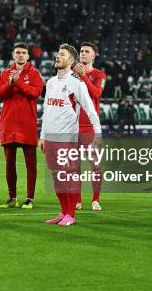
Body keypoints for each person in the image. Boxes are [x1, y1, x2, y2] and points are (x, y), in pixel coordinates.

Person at [40, 44, 101, 226]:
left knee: (69, 177)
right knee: (56, 176)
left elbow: (90, 110)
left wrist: (97, 134)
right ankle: (63, 211)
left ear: (71, 60)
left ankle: (71, 215)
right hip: (50, 138)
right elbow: (46, 111)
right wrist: (42, 135)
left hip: (67, 138)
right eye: (57, 53)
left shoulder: (77, 83)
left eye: (62, 54)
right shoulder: (50, 83)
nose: (57, 56)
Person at [0, 43, 43, 209]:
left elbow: (35, 93)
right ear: (14, 55)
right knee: (9, 164)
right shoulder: (5, 74)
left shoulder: (35, 74)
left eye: (23, 53)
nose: (21, 55)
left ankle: (29, 198)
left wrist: (18, 82)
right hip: (9, 124)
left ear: (28, 56)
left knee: (31, 164)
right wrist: (9, 83)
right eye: (18, 53)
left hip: (27, 124)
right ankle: (12, 197)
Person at [73, 42, 106, 210]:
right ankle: (77, 200)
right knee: (74, 166)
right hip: (73, 127)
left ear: (94, 55)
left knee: (95, 165)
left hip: (91, 128)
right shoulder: (71, 75)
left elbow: (96, 94)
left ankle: (95, 199)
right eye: (81, 51)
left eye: (87, 51)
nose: (83, 54)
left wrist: (83, 76)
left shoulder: (100, 74)